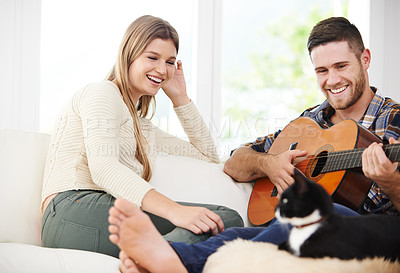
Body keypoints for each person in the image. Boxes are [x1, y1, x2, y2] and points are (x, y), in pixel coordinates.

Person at [107, 16, 400, 273]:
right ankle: (167, 259)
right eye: (322, 70)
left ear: (365, 59)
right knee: (237, 232)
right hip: (299, 227)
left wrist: (390, 182)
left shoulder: (394, 119)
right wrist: (268, 164)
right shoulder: (310, 122)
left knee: (310, 217)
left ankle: (175, 259)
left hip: (371, 230)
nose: (332, 79)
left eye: (341, 66)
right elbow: (235, 161)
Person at [40, 15, 244, 258]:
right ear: (129, 54)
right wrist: (175, 211)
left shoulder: (142, 128)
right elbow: (103, 168)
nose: (162, 69)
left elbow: (208, 157)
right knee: (223, 218)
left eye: (170, 61)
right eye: (152, 57)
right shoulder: (102, 93)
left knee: (224, 220)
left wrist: (180, 98)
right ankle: (154, 258)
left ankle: (150, 260)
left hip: (97, 213)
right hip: (70, 212)